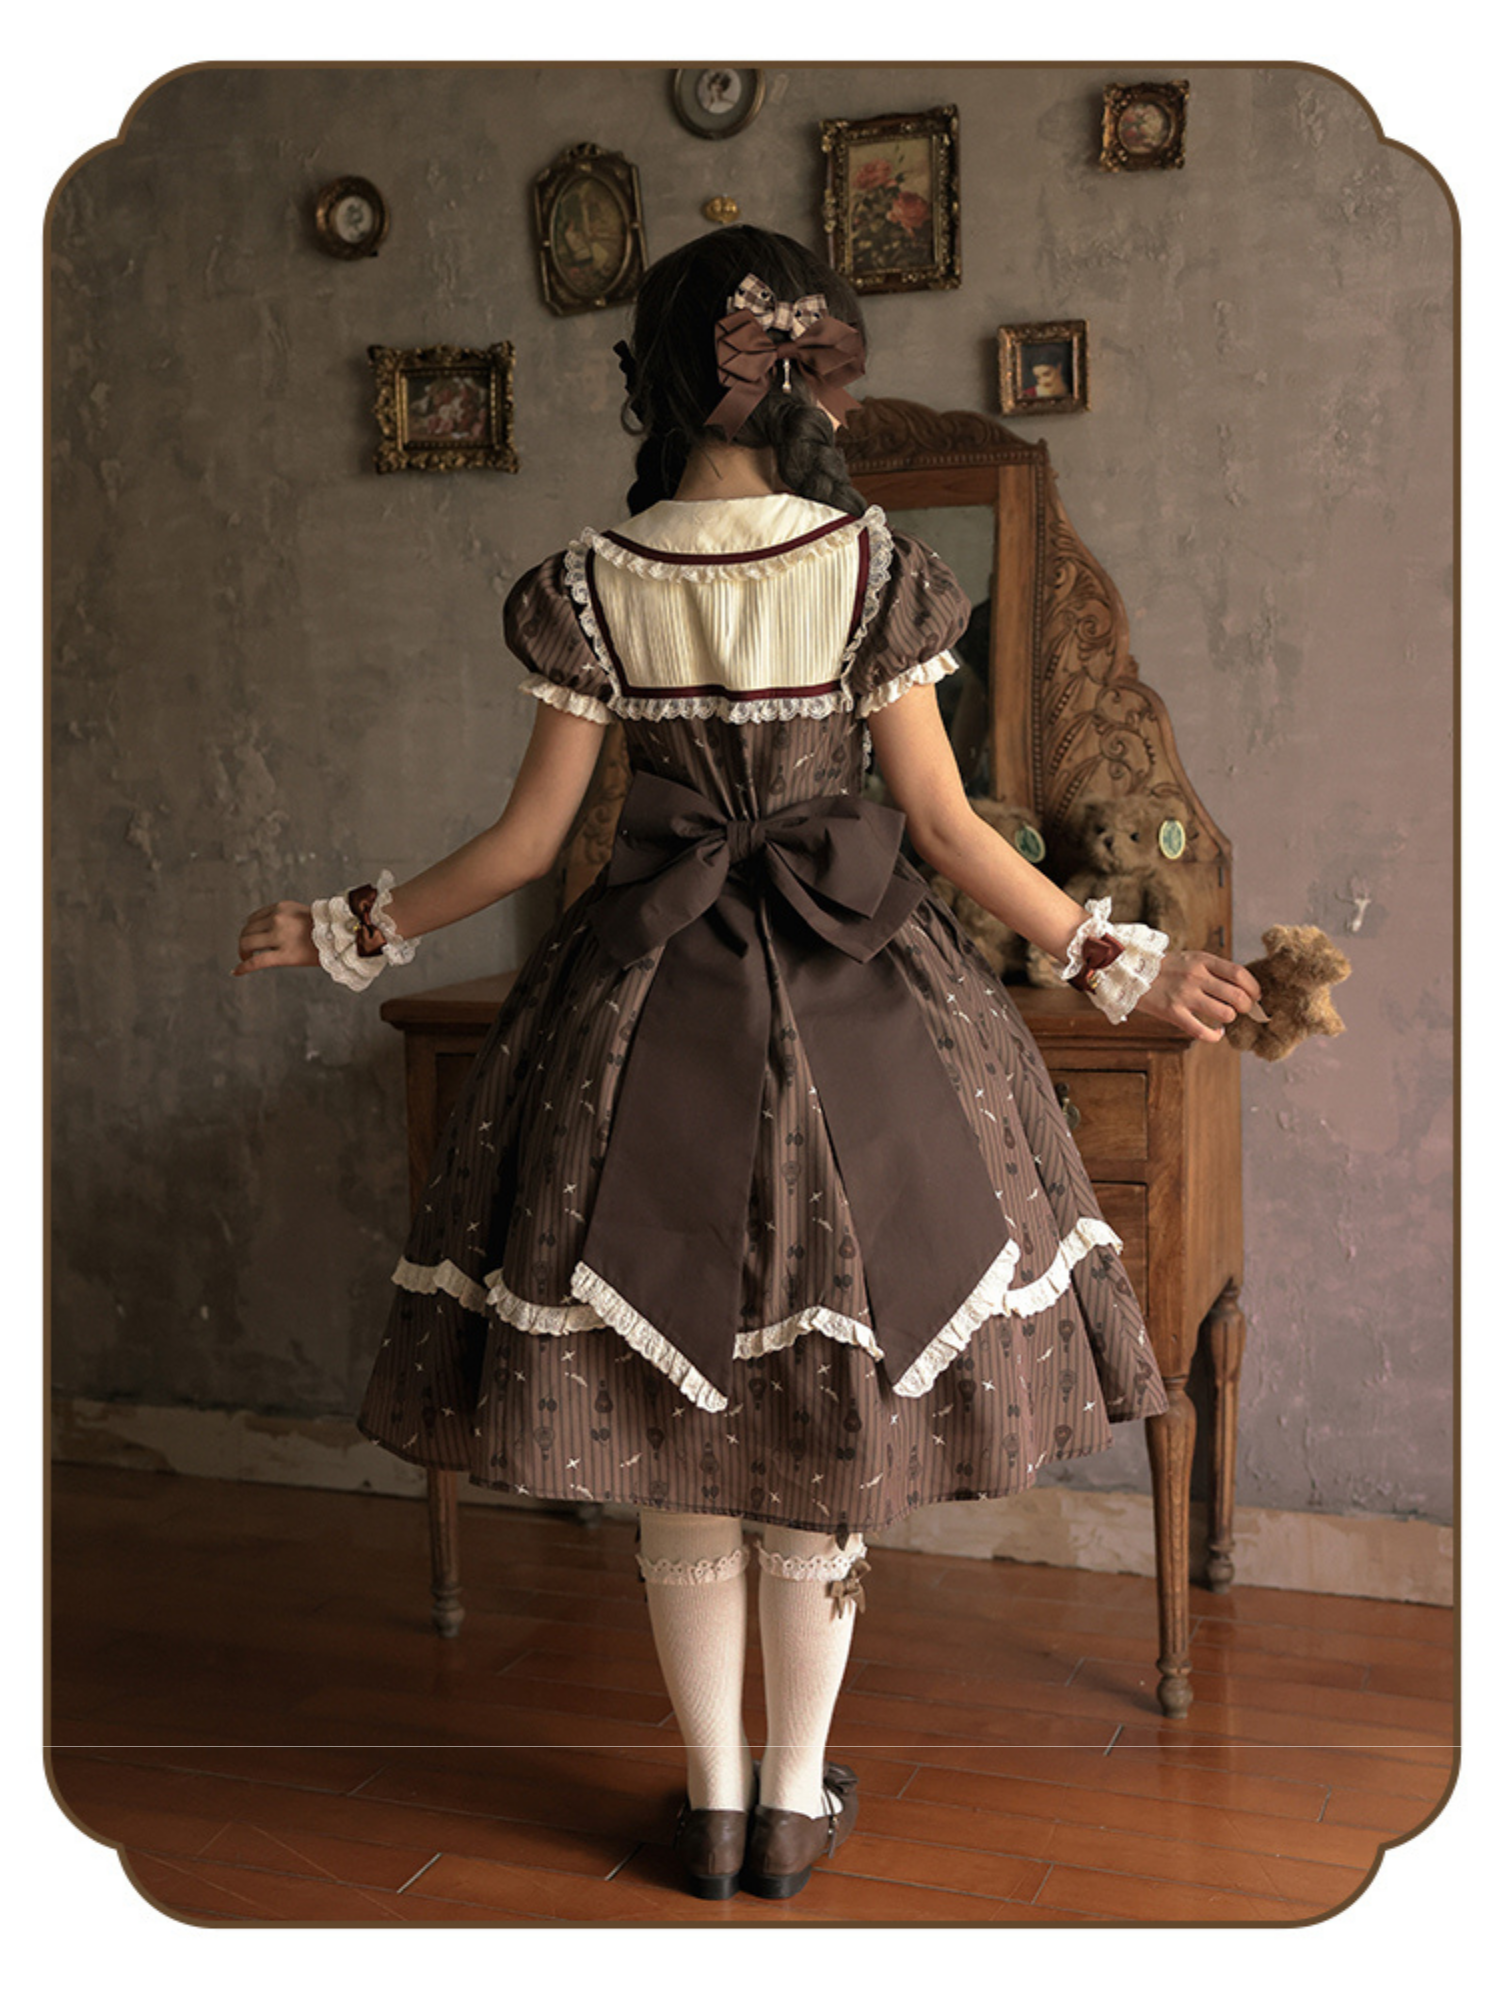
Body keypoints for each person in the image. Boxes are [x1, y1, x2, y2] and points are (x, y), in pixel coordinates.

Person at [234, 224, 1262, 1903]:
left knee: (676, 1429)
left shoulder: (595, 580)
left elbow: (523, 844)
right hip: (861, 1012)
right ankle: (791, 1805)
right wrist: (1124, 960)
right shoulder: (869, 569)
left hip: (638, 1015)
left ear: (648, 376)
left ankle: (710, 1805)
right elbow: (944, 830)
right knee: (818, 1430)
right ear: (807, 376)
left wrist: (347, 924)